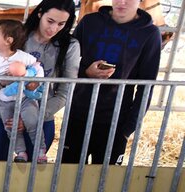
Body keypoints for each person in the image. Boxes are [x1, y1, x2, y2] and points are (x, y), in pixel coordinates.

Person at [61, 0, 161, 165]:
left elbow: (147, 84)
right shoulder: (89, 22)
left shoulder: (149, 33)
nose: (122, 2)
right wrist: (86, 72)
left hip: (116, 121)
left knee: (107, 178)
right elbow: (67, 61)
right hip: (78, 114)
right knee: (69, 173)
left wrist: (128, 128)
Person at [0, 0, 80, 162]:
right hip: (4, 115)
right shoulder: (18, 36)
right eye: (50, 21)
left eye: (61, 24)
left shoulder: (70, 45)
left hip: (41, 117)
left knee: (32, 170)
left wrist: (33, 117)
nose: (53, 29)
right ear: (40, 14)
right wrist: (0, 82)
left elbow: (66, 91)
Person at [0, 20, 44, 163]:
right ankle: (20, 152)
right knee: (10, 127)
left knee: (32, 121)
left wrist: (36, 82)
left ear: (8, 40)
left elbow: (38, 67)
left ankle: (40, 150)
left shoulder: (23, 57)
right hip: (4, 101)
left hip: (25, 98)